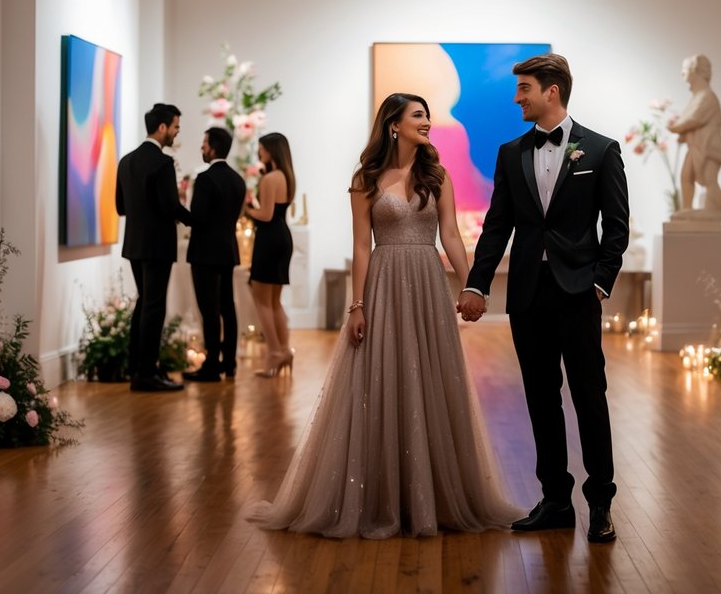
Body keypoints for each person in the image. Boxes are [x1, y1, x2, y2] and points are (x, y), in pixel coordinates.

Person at [250, 93, 522, 538]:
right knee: (381, 380)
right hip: (383, 283)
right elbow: (361, 246)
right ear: (393, 124)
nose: (428, 122)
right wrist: (357, 306)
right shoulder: (367, 178)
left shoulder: (437, 175)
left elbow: (450, 234)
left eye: (428, 115)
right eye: (418, 115)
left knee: (431, 381)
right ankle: (380, 496)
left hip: (428, 286)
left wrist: (472, 285)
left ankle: (432, 494)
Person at [458, 53, 630, 545]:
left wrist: (601, 281)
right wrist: (477, 283)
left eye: (524, 89)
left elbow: (616, 227)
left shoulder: (601, 150)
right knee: (540, 398)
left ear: (551, 91)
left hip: (579, 294)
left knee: (589, 398)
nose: (517, 98)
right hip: (528, 296)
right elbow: (497, 226)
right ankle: (555, 499)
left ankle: (600, 503)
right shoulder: (511, 153)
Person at [116, 103, 192, 392]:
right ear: (162, 128)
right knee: (154, 306)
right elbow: (171, 206)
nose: (176, 133)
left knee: (143, 302)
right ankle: (147, 373)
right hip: (158, 245)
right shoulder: (162, 163)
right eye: (175, 127)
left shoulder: (126, 161)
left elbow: (121, 207)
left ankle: (137, 367)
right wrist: (196, 219)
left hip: (134, 243)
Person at [184, 127, 247, 381]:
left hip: (204, 253)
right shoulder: (238, 180)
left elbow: (198, 218)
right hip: (227, 249)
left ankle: (211, 364)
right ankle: (229, 363)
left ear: (213, 148)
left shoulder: (206, 179)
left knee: (209, 309)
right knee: (227, 307)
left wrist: (177, 207)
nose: (202, 148)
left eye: (204, 143)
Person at [245, 132, 296, 378]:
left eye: (262, 148)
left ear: (271, 150)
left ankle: (274, 352)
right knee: (274, 300)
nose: (259, 152)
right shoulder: (287, 176)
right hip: (283, 237)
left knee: (261, 299)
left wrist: (246, 209)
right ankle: (284, 350)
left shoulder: (269, 179)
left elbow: (265, 214)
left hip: (268, 239)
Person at [666, 54, 721, 215]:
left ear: (694, 71)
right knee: (686, 176)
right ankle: (687, 209)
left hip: (708, 148)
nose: (682, 74)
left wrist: (675, 127)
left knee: (709, 179)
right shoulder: (697, 96)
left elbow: (693, 120)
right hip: (696, 147)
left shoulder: (707, 97)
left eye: (685, 70)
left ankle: (714, 211)